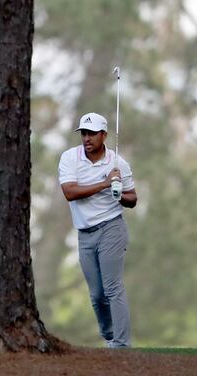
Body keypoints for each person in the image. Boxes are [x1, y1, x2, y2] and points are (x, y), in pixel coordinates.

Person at [58, 112, 138, 348]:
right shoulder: (70, 158)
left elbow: (133, 198)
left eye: (92, 133)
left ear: (104, 135)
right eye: (84, 133)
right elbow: (69, 192)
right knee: (97, 295)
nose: (87, 138)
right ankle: (110, 336)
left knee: (113, 288)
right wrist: (105, 184)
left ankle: (121, 345)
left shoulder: (118, 164)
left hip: (111, 227)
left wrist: (119, 194)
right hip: (84, 233)